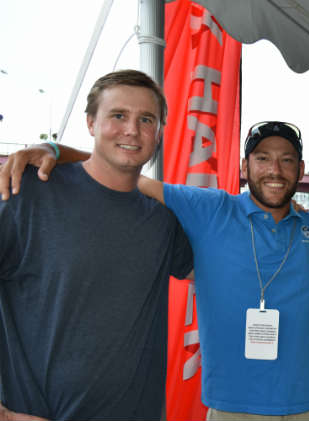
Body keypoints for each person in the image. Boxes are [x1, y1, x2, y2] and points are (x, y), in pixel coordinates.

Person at [0, 121, 309, 420]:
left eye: (287, 161)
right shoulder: (211, 209)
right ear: (245, 166)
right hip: (233, 407)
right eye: (263, 159)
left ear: (301, 171)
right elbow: (123, 172)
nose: (275, 169)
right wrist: (56, 150)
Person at [0, 70, 194, 420]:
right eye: (118, 115)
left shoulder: (164, 222)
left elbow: (228, 266)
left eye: (146, 119)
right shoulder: (29, 192)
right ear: (90, 122)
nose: (132, 130)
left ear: (160, 132)